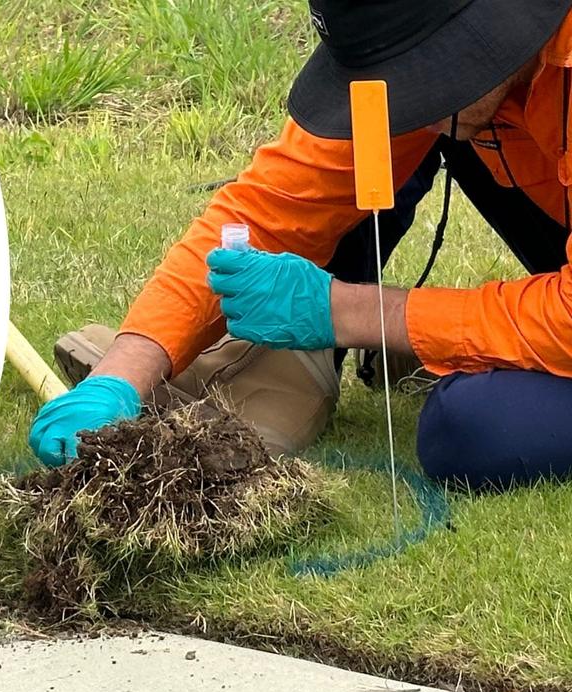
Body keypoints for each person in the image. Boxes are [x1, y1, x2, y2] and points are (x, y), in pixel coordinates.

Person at [30, 0, 572, 492]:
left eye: (419, 75)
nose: (408, 97)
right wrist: (121, 376)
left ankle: (451, 344)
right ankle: (288, 366)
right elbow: (271, 208)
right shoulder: (451, 52)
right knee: (384, 142)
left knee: (475, 429)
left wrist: (351, 312)